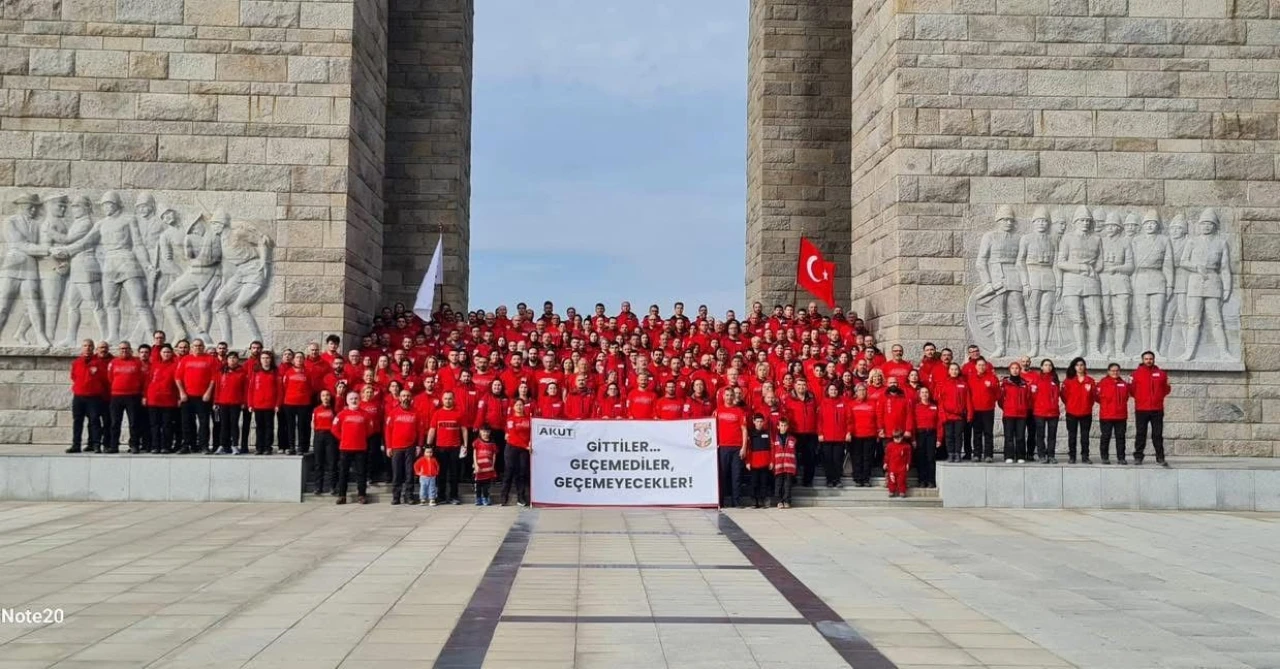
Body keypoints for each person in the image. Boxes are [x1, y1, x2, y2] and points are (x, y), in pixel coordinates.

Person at [175, 339, 217, 453]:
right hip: (187, 397)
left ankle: (203, 445)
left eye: (200, 345)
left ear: (203, 347)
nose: (197, 348)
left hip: (203, 397)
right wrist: (182, 393)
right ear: (191, 347)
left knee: (204, 423)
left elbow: (214, 378)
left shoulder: (211, 359)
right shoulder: (185, 360)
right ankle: (188, 445)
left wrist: (208, 392)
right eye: (195, 346)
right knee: (187, 422)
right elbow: (178, 378)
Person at [1130, 351, 1171, 467]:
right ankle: (1138, 457)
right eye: (1146, 359)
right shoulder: (1135, 374)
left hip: (1157, 409)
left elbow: (1166, 389)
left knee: (1157, 434)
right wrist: (1140, 398)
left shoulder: (1161, 374)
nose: (1149, 360)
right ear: (1142, 360)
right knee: (1140, 434)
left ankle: (1160, 457)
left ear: (1154, 360)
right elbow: (1131, 390)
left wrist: (1157, 398)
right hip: (1141, 409)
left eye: (1151, 359)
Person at [68, 339, 108, 454]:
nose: (87, 348)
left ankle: (96, 445)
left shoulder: (99, 362)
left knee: (94, 421)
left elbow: (105, 379)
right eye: (85, 345)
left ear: (93, 348)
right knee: (77, 421)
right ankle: (76, 445)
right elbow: (74, 377)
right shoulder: (76, 362)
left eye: (90, 346)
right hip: (79, 396)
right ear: (82, 347)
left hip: (94, 397)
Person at [428, 390, 468, 504]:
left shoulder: (459, 413)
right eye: (445, 398)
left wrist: (465, 445)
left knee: (454, 474)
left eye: (450, 398)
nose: (448, 400)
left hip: (455, 447)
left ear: (453, 399)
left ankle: (453, 496)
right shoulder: (437, 413)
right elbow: (432, 430)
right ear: (442, 400)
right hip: (440, 448)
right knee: (441, 473)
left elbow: (464, 430)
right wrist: (427, 446)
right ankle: (441, 496)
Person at [384, 388, 423, 505]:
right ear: (400, 398)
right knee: (397, 473)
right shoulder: (393, 413)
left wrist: (419, 446)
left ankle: (409, 496)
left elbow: (420, 431)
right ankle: (396, 497)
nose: (405, 398)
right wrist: (389, 447)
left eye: (407, 396)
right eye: (403, 396)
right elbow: (388, 431)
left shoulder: (417, 413)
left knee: (409, 473)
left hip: (410, 447)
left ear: (411, 398)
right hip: (396, 448)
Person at [106, 341, 145, 454]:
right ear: (119, 350)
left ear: (130, 350)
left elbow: (142, 379)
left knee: (133, 423)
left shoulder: (137, 362)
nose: (124, 351)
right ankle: (114, 446)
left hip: (133, 396)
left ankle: (134, 445)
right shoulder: (113, 362)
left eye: (126, 348)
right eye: (122, 349)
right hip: (116, 397)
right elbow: (110, 378)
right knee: (115, 423)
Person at [332, 391, 370, 504]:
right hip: (345, 448)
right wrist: (343, 438)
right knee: (343, 472)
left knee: (361, 473)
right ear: (347, 401)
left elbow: (369, 429)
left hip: (360, 448)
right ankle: (342, 496)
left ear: (359, 400)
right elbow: (334, 429)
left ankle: (362, 495)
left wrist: (361, 438)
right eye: (351, 399)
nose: (354, 401)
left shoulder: (365, 414)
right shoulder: (341, 414)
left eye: (356, 398)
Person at [714, 389, 749, 508]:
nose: (729, 397)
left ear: (734, 397)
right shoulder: (717, 411)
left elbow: (744, 430)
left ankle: (736, 502)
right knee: (722, 475)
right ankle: (720, 501)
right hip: (722, 447)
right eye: (727, 395)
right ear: (723, 397)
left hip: (737, 448)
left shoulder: (739, 411)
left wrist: (744, 447)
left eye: (731, 395)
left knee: (737, 476)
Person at [144, 343, 180, 454]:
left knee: (167, 425)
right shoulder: (154, 365)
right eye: (164, 352)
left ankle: (166, 446)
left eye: (168, 352)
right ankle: (155, 446)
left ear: (172, 353)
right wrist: (144, 396)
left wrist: (178, 397)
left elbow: (179, 382)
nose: (166, 354)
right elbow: (147, 382)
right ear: (160, 354)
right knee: (154, 425)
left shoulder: (176, 365)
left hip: (169, 400)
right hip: (154, 399)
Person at [784, 378, 819, 487]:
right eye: (799, 385)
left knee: (810, 457)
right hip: (795, 432)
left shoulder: (812, 399)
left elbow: (818, 415)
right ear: (795, 386)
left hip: (810, 432)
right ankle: (792, 478)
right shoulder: (789, 399)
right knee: (793, 457)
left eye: (803, 385)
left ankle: (808, 480)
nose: (801, 387)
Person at [1061, 357, 1096, 464]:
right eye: (1077, 365)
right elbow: (1063, 396)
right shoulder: (1068, 381)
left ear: (1084, 366)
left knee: (1085, 437)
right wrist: (1070, 405)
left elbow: (1093, 396)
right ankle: (1072, 456)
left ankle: (1085, 456)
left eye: (1082, 365)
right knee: (1072, 436)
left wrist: (1087, 406)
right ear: (1074, 367)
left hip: (1086, 413)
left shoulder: (1090, 380)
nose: (1080, 367)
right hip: (1072, 413)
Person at [279, 354, 315, 456]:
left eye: (301, 358)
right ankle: (291, 446)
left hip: (304, 403)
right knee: (290, 426)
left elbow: (311, 387)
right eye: (297, 358)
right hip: (289, 403)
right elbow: (285, 386)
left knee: (302, 426)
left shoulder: (308, 373)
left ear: (304, 360)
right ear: (293, 360)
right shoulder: (288, 372)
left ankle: (301, 446)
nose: (299, 359)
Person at [844, 384, 878, 488]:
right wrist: (849, 432)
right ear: (856, 392)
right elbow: (849, 420)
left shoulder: (873, 403)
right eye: (859, 390)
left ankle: (866, 479)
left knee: (868, 458)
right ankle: (858, 479)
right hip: (856, 435)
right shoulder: (851, 404)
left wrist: (878, 432)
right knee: (857, 457)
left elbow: (877, 418)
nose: (862, 392)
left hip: (870, 434)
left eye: (864, 390)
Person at [1095, 363, 1130, 465]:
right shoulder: (1102, 383)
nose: (1115, 372)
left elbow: (1126, 397)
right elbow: (1097, 397)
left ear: (1119, 371)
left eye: (1117, 370)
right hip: (1106, 415)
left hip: (1121, 416)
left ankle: (1121, 458)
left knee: (1121, 437)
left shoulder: (1124, 384)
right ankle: (1105, 457)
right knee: (1105, 437)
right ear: (1108, 371)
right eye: (1113, 370)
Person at [246, 351, 280, 455]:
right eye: (263, 358)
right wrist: (250, 404)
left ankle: (267, 447)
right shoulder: (255, 372)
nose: (265, 360)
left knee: (269, 427)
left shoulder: (275, 372)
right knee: (259, 427)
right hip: (258, 405)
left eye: (267, 358)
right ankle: (259, 447)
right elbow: (251, 389)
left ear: (271, 360)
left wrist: (277, 404)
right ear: (260, 360)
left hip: (270, 405)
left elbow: (279, 390)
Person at [936, 362, 969, 464]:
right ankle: (951, 454)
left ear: (958, 371)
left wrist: (969, 414)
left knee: (958, 435)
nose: (954, 371)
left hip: (959, 416)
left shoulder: (963, 384)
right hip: (947, 415)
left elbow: (967, 400)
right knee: (949, 435)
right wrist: (942, 415)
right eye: (952, 369)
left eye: (956, 369)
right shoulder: (943, 384)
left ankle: (958, 453)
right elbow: (940, 401)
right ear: (949, 371)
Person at [999, 363, 1032, 463]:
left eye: (1017, 368)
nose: (1015, 370)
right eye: (1012, 368)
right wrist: (1006, 407)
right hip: (1009, 414)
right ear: (1010, 370)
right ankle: (1009, 456)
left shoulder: (1025, 384)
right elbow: (1000, 398)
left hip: (1021, 414)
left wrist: (1024, 408)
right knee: (1009, 436)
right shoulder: (1005, 383)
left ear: (1019, 370)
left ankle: (1020, 456)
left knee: (1020, 436)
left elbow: (1029, 398)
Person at [1030, 359, 1061, 464]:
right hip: (1040, 412)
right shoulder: (1036, 379)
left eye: (1050, 365)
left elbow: (1058, 394)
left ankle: (1051, 455)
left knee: (1052, 435)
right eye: (1046, 365)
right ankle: (1042, 455)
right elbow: (1032, 395)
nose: (1048, 367)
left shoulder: (1055, 379)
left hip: (1053, 412)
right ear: (1041, 367)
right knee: (1040, 435)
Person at [967, 359, 998, 462]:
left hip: (988, 409)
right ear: (975, 367)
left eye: (983, 365)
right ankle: (977, 454)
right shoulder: (971, 378)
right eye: (979, 365)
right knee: (977, 433)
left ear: (986, 366)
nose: (981, 367)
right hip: (976, 409)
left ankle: (988, 455)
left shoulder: (992, 377)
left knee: (988, 433)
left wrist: (992, 386)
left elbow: (997, 393)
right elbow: (969, 394)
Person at [502, 399, 532, 506]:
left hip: (524, 450)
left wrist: (530, 444)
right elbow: (513, 436)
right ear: (513, 407)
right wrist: (526, 446)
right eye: (517, 405)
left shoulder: (529, 419)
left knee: (522, 473)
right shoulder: (510, 419)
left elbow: (532, 433)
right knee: (509, 471)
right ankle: (504, 496)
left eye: (521, 405)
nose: (519, 407)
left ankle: (521, 497)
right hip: (512, 448)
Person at [817, 383, 847, 488]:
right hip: (826, 437)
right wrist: (820, 433)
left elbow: (848, 419)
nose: (833, 391)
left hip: (840, 437)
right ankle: (829, 479)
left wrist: (848, 432)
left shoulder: (843, 402)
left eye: (835, 389)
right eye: (831, 390)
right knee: (828, 459)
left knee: (838, 459)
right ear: (828, 392)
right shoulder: (823, 403)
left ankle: (837, 479)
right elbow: (819, 420)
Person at [913, 386, 942, 488]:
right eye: (923, 392)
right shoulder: (916, 407)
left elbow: (939, 424)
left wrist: (939, 438)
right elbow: (913, 423)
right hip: (920, 434)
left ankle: (931, 481)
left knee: (930, 457)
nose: (925, 394)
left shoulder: (934, 407)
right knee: (921, 458)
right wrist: (913, 439)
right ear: (919, 395)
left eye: (926, 392)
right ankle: (922, 480)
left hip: (931, 434)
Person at [743, 414, 772, 509]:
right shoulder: (750, 434)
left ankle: (763, 500)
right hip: (754, 462)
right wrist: (747, 462)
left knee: (764, 482)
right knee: (754, 483)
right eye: (757, 421)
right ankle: (754, 501)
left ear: (763, 422)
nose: (759, 423)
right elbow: (747, 449)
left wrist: (771, 461)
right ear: (754, 422)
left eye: (761, 421)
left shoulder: (767, 433)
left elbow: (771, 448)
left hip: (765, 462)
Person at [311, 390, 337, 495]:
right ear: (320, 398)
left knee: (331, 462)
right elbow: (313, 423)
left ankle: (332, 486)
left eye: (327, 395)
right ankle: (318, 487)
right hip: (319, 436)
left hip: (330, 436)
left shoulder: (333, 410)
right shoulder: (316, 410)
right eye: (323, 395)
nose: (325, 397)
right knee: (318, 463)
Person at [771, 418, 798, 508]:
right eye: (781, 425)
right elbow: (772, 452)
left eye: (785, 425)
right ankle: (778, 501)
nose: (783, 427)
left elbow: (795, 453)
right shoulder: (774, 439)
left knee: (787, 484)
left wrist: (795, 466)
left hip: (789, 466)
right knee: (778, 484)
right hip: (778, 465)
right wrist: (772, 463)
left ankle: (787, 500)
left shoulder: (793, 439)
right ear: (778, 426)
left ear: (788, 426)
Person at [472, 426, 498, 506]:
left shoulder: (492, 444)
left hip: (488, 468)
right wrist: (476, 465)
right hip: (479, 468)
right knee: (478, 485)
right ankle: (478, 499)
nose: (485, 433)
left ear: (489, 432)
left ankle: (485, 498)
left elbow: (494, 455)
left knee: (486, 486)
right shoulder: (477, 442)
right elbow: (474, 454)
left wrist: (493, 466)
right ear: (480, 431)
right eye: (483, 431)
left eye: (487, 432)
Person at [885, 431, 913, 499]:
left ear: (902, 437)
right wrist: (885, 463)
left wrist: (908, 464)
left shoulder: (906, 446)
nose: (897, 439)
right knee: (892, 480)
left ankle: (902, 491)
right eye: (895, 438)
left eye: (898, 438)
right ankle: (891, 491)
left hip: (902, 467)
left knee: (901, 480)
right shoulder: (889, 445)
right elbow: (887, 456)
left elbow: (909, 456)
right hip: (892, 466)